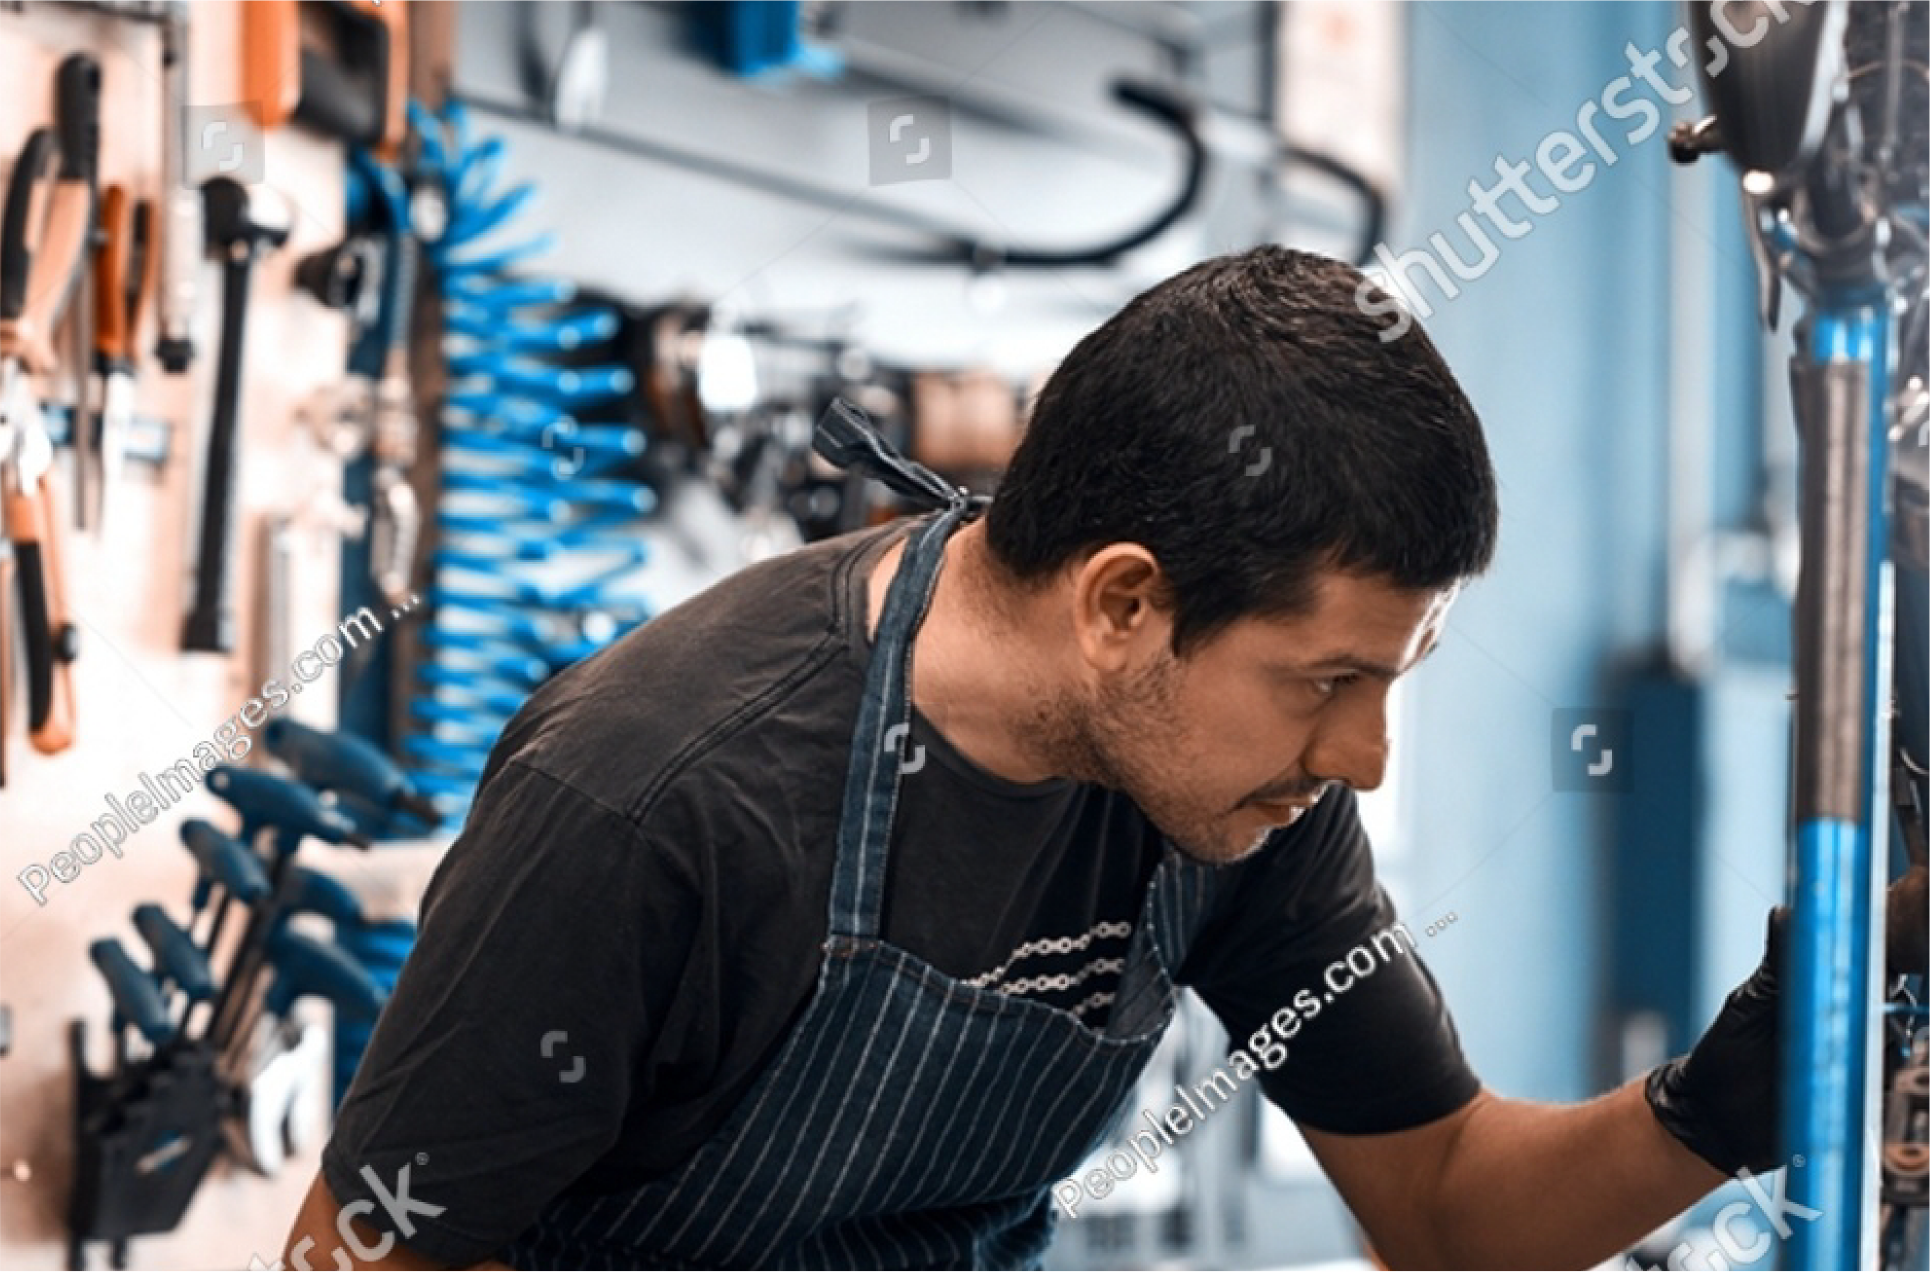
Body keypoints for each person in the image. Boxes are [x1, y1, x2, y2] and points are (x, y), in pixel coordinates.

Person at [280, 247, 1829, 1271]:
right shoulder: (658, 797)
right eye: (1331, 680)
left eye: (1394, 681)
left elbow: (1442, 1208)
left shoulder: (1238, 804)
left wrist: (1722, 1098)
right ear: (1124, 604)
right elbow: (353, 1255)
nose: (1358, 754)